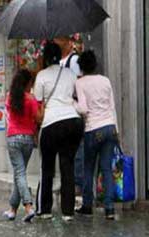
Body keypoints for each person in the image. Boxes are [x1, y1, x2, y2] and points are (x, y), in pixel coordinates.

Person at [34, 42, 84, 221]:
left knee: (47, 167)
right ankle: (68, 212)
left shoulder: (41, 76)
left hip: (51, 124)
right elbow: (75, 95)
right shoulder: (70, 74)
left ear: (46, 57)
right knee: (67, 166)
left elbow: (38, 104)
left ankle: (45, 210)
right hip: (73, 121)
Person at [74, 51, 119, 220]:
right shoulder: (105, 80)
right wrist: (117, 131)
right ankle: (109, 208)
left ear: (81, 66)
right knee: (107, 169)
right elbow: (112, 106)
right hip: (110, 127)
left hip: (93, 129)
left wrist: (73, 103)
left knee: (88, 168)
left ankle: (87, 205)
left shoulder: (80, 83)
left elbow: (84, 109)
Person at [2, 69, 43, 222]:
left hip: (13, 138)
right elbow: (38, 119)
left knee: (19, 174)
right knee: (20, 174)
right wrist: (42, 106)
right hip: (27, 139)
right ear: (27, 83)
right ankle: (12, 209)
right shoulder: (31, 99)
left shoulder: (9, 97)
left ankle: (28, 206)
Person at [54, 36, 85, 196]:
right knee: (64, 150)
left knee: (77, 149)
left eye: (58, 40)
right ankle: (67, 182)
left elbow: (79, 84)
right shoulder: (58, 63)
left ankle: (77, 184)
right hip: (61, 111)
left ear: (67, 41)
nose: (55, 43)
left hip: (74, 110)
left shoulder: (74, 61)